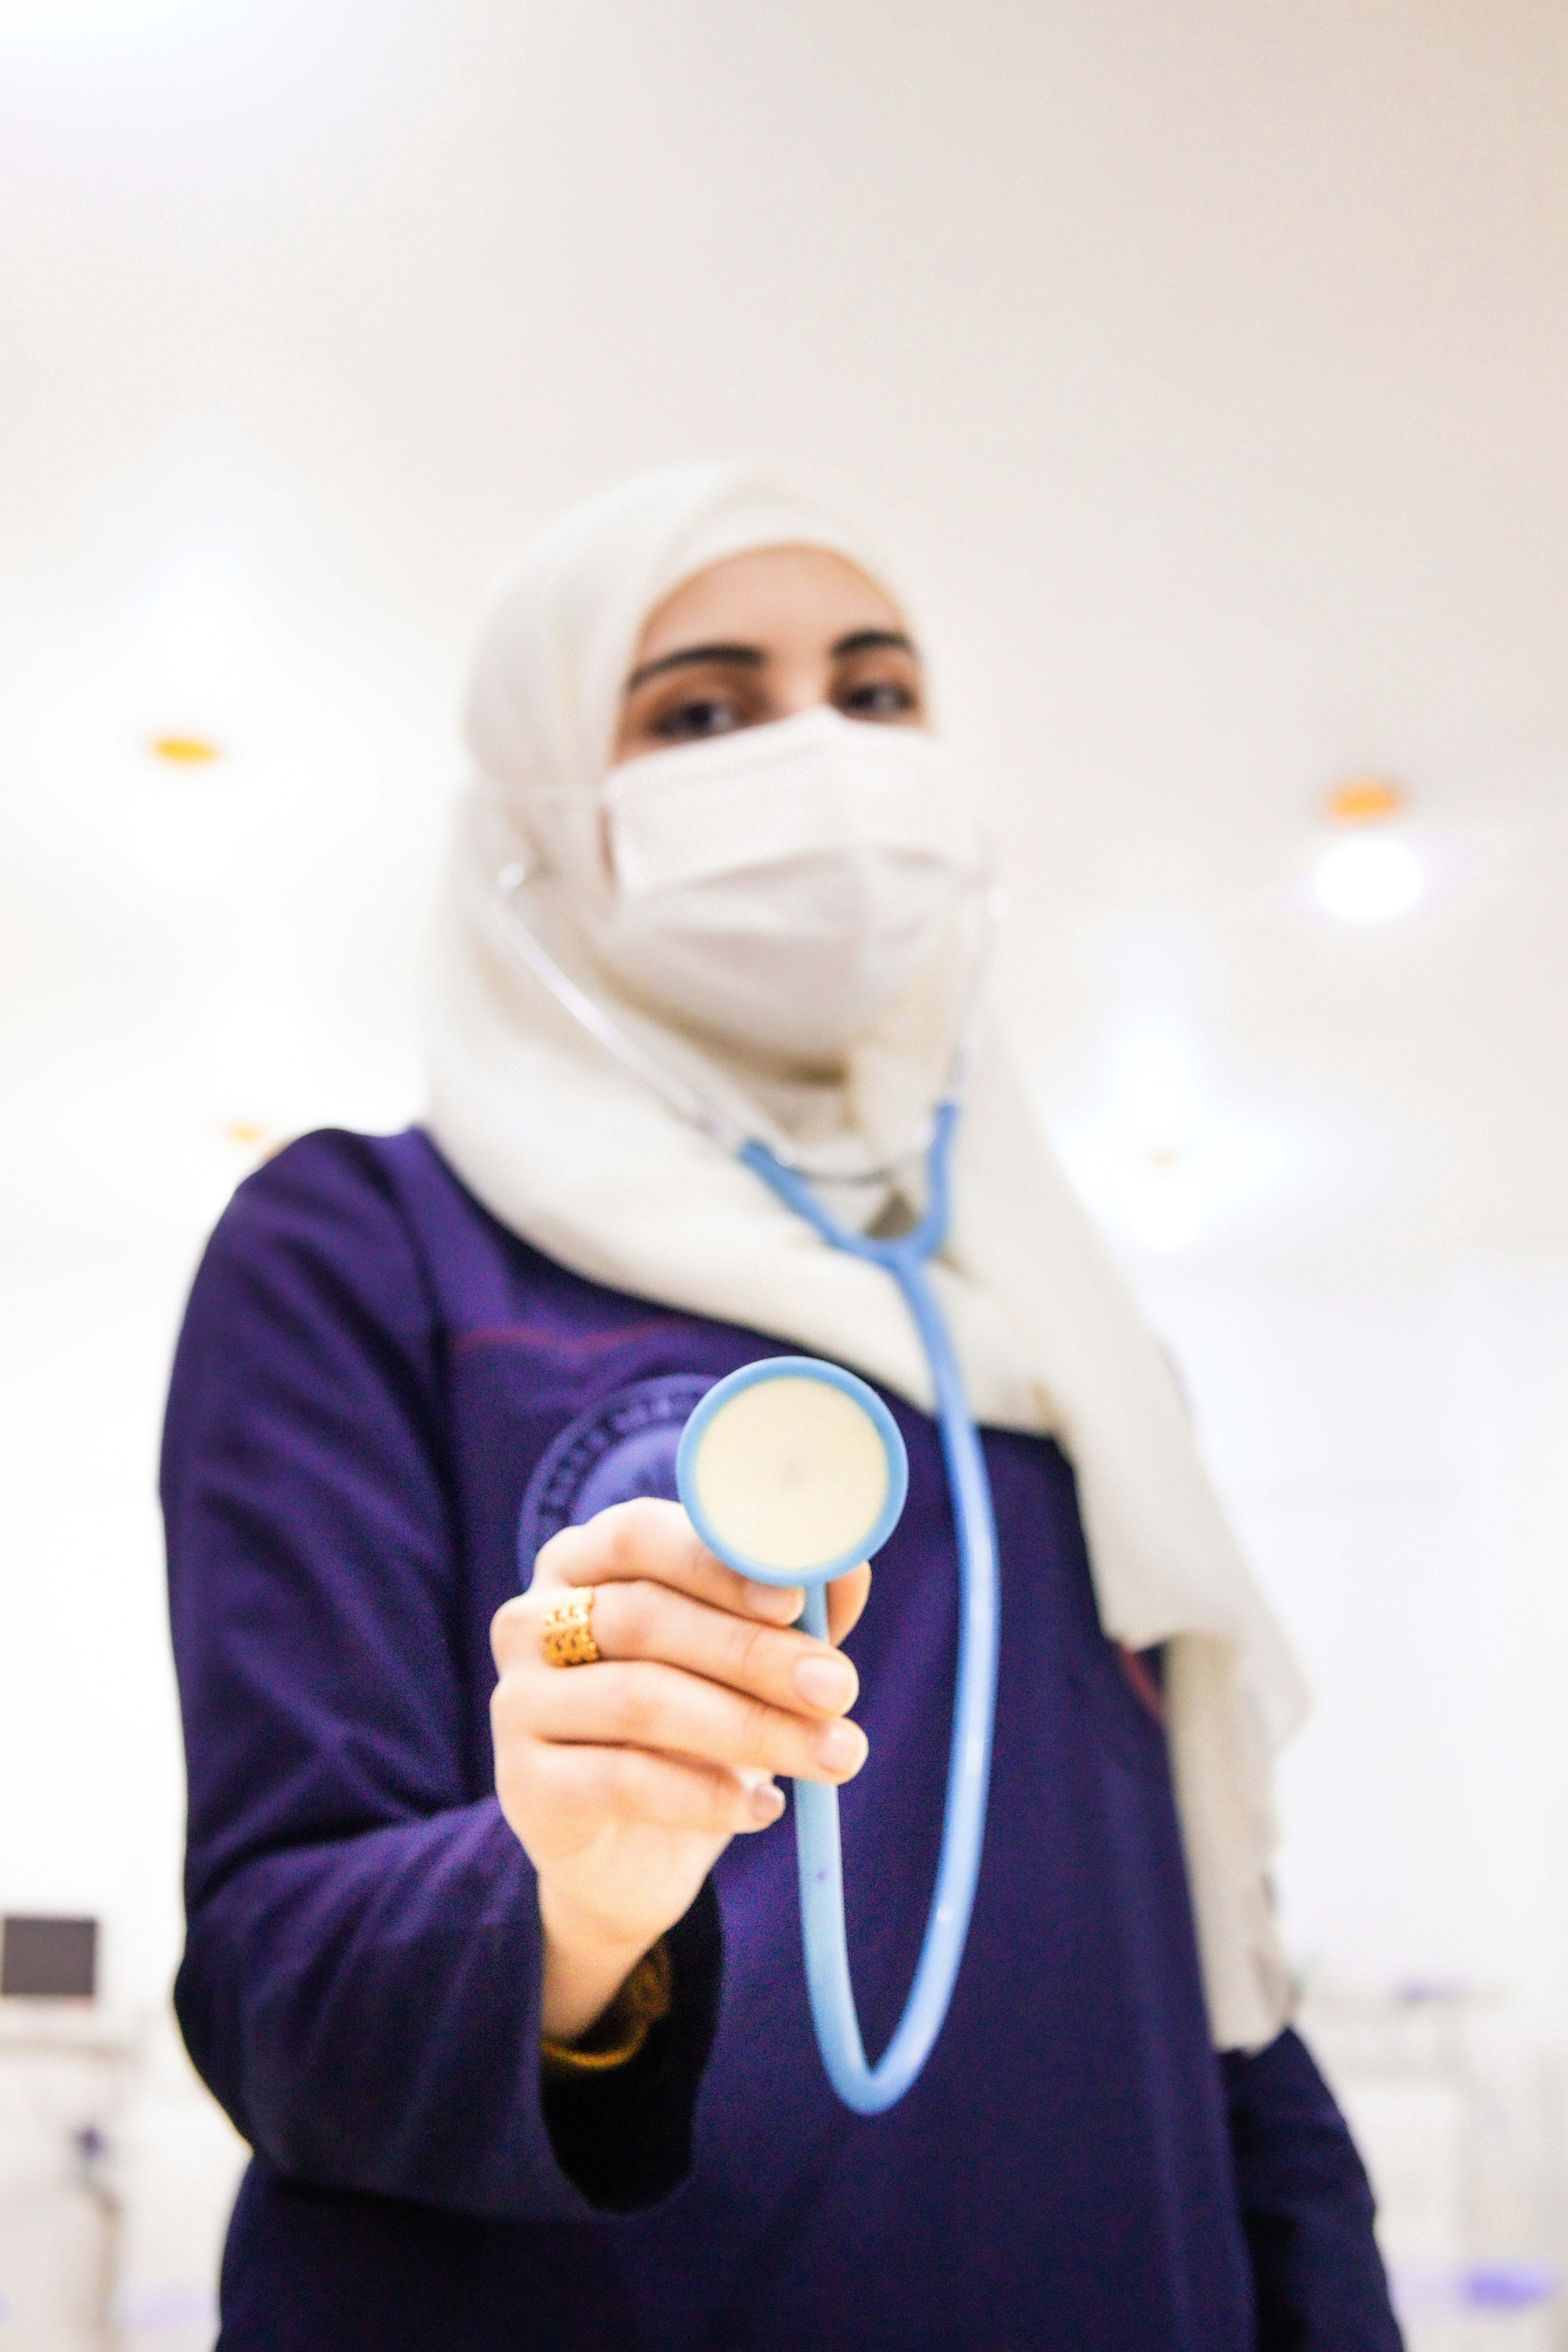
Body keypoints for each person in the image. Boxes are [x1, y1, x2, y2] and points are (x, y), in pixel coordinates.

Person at [163, 463, 1404, 2350]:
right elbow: (282, 1992)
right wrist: (573, 1899)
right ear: (537, 819)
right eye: (705, 710)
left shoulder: (1079, 1347)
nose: (820, 757)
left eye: (880, 693)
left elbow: (1221, 1977)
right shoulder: (373, 1249)